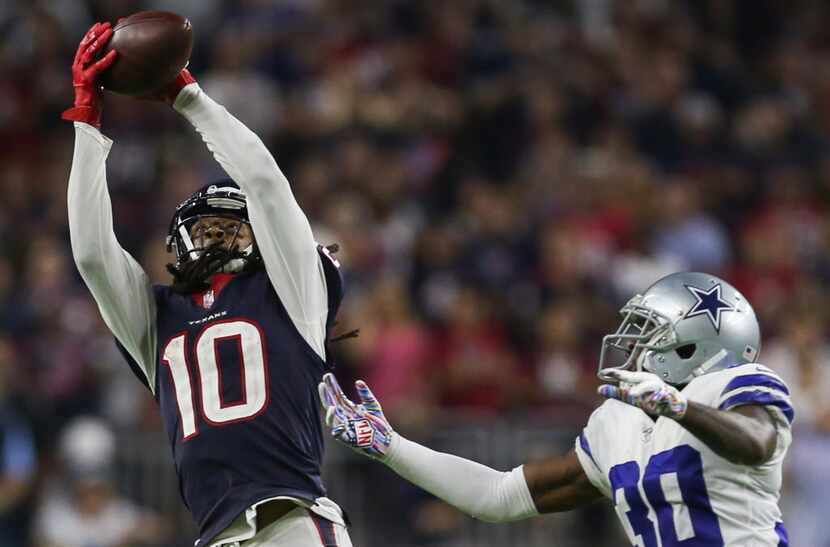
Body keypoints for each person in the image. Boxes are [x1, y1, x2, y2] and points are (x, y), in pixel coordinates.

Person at [63, 22, 351, 547]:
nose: (216, 235)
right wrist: (86, 121)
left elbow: (264, 183)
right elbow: (90, 253)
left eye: (230, 225)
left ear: (259, 236)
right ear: (177, 243)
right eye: (203, 227)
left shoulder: (289, 291)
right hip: (214, 536)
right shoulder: (159, 317)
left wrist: (189, 97)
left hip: (293, 521)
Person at [321, 271, 793, 546]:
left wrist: (678, 407)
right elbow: (499, 496)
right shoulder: (619, 422)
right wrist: (392, 447)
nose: (636, 343)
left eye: (652, 331)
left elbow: (756, 444)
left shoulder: (735, 384)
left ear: (697, 344)